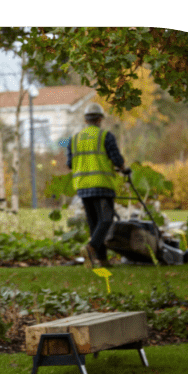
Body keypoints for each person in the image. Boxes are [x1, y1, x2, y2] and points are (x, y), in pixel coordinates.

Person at [68, 99, 130, 267]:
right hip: (102, 186)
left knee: (94, 223)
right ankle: (92, 247)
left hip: (83, 187)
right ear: (100, 119)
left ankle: (101, 260)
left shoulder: (74, 139)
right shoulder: (105, 136)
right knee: (106, 220)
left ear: (85, 119)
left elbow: (70, 164)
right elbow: (116, 159)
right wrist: (124, 168)